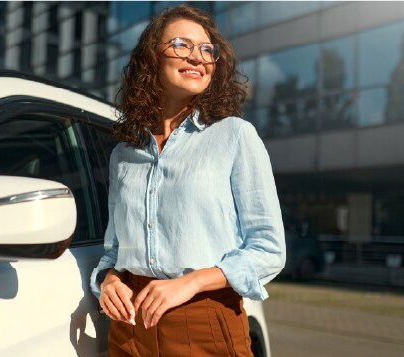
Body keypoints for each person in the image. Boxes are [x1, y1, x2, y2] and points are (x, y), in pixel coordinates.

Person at [90, 5, 285, 356]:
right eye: (181, 45)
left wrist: (190, 283)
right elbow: (115, 250)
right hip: (129, 328)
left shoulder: (235, 137)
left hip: (203, 319)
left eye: (207, 50)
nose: (197, 57)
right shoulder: (124, 154)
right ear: (151, 59)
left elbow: (268, 251)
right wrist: (110, 279)